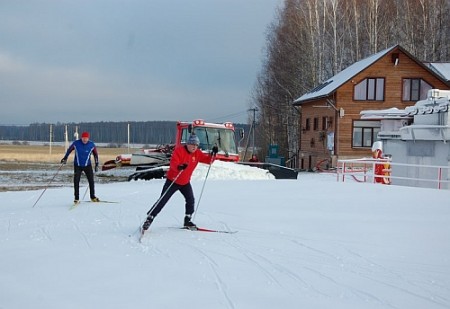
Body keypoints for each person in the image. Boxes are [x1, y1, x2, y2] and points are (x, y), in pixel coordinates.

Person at [142, 134, 218, 231]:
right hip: (173, 180)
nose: (194, 147)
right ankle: (149, 219)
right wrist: (179, 167)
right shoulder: (179, 151)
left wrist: (213, 154)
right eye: (192, 144)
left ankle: (187, 220)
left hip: (185, 182)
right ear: (188, 144)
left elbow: (208, 160)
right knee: (163, 200)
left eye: (196, 145)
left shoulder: (197, 153)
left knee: (190, 200)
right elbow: (173, 163)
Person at [61, 131, 100, 204]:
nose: (85, 140)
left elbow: (96, 155)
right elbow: (69, 150)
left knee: (91, 181)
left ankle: (92, 197)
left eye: (86, 138)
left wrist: (97, 164)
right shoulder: (76, 143)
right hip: (77, 165)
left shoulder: (91, 145)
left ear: (88, 138)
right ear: (81, 138)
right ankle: (76, 198)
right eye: (83, 138)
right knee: (76, 181)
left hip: (87, 166)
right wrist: (65, 158)